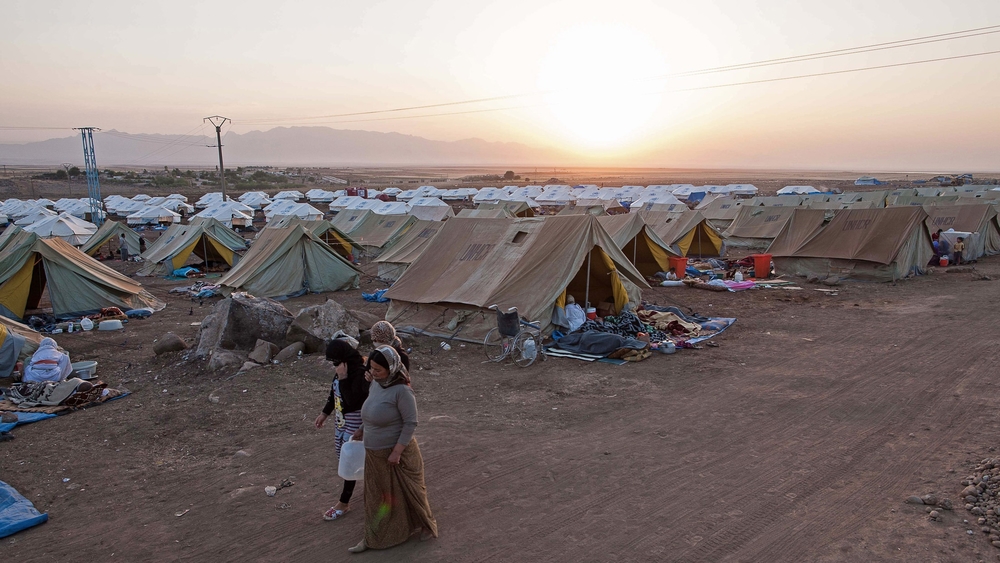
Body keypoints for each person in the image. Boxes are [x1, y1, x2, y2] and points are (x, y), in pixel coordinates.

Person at [348, 345, 437, 553]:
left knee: (411, 493)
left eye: (378, 369)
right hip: (375, 454)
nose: (373, 373)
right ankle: (374, 537)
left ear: (392, 368)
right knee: (376, 496)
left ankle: (425, 524)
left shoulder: (402, 391)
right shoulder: (377, 384)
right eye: (371, 368)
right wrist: (362, 429)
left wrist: (397, 452)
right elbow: (371, 411)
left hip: (398, 455)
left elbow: (410, 423)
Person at [314, 339, 369, 521]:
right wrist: (324, 414)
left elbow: (352, 401)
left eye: (335, 361)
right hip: (341, 423)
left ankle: (343, 503)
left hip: (354, 423)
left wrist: (344, 378)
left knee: (350, 462)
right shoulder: (340, 371)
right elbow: (334, 394)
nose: (334, 365)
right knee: (348, 460)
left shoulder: (359, 373)